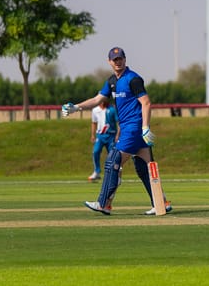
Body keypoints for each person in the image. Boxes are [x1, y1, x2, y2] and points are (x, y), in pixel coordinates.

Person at [62, 46, 171, 216]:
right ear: (109, 62)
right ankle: (161, 203)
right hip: (130, 129)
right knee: (144, 168)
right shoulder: (112, 81)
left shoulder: (133, 79)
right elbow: (97, 100)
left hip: (134, 128)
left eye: (120, 59)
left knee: (113, 161)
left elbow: (146, 103)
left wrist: (144, 127)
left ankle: (103, 203)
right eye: (115, 60)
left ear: (125, 60)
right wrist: (76, 107)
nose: (118, 62)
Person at [88, 97, 118, 182]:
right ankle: (97, 171)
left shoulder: (112, 109)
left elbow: (118, 122)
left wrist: (118, 135)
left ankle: (113, 172)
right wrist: (93, 135)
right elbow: (94, 123)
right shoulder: (95, 110)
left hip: (111, 135)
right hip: (100, 136)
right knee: (96, 151)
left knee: (112, 155)